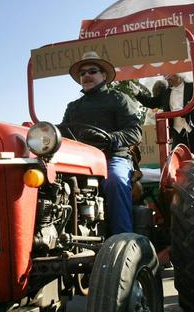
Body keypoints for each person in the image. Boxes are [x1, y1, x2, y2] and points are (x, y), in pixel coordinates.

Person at [59, 51, 141, 235]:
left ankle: (123, 238)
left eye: (92, 71)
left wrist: (112, 138)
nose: (86, 75)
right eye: (83, 73)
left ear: (103, 75)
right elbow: (64, 135)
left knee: (116, 181)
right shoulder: (73, 107)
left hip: (113, 157)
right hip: (81, 162)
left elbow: (134, 132)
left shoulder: (119, 99)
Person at [133, 72, 194, 157]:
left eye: (169, 75)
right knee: (178, 164)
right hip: (177, 135)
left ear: (179, 75)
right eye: (165, 76)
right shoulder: (166, 92)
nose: (166, 78)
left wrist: (186, 111)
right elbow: (151, 103)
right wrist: (137, 93)